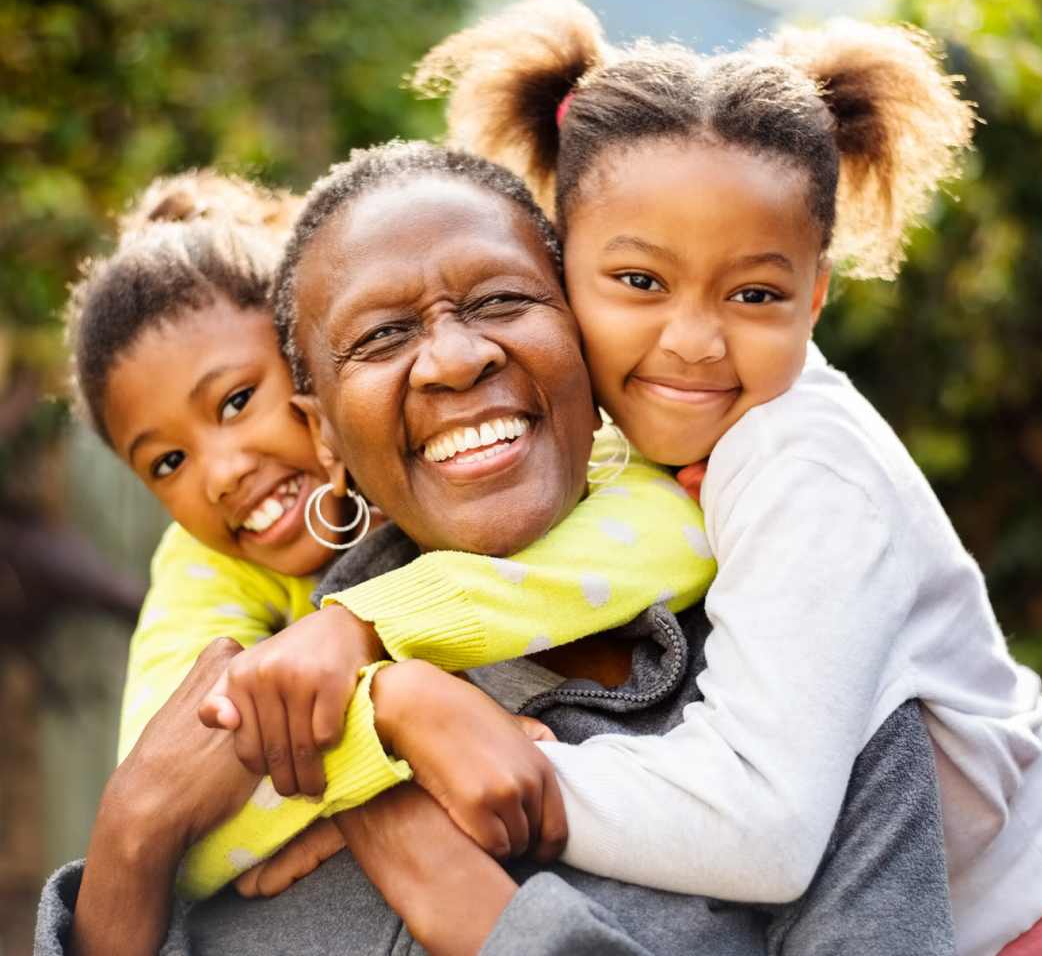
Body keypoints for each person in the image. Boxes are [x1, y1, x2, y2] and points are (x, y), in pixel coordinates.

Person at [396, 0, 1042, 956]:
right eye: (639, 282)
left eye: (754, 293)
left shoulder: (803, 462)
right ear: (559, 264)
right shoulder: (616, 444)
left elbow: (765, 827)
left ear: (816, 296)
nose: (692, 341)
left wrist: (522, 771)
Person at [36, 141, 956, 956]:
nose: (453, 358)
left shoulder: (805, 688)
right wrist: (136, 833)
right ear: (323, 433)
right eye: (383, 335)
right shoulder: (268, 713)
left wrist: (480, 915)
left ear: (586, 338)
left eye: (504, 300)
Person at [62, 169, 715, 898]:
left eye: (239, 400)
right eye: (168, 461)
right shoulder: (203, 565)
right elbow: (167, 792)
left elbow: (677, 531)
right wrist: (387, 733)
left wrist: (370, 630)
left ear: (312, 366)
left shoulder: (540, 445)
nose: (219, 472)